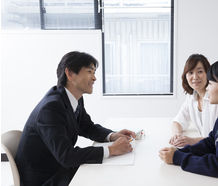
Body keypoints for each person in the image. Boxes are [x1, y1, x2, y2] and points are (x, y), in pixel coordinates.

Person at [15, 51, 136, 186]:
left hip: (58, 167)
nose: (94, 78)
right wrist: (112, 150)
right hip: (45, 179)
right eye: (90, 71)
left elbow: (87, 127)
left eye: (94, 72)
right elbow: (66, 156)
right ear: (70, 74)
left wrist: (113, 135)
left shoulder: (72, 98)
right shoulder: (51, 107)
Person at [170, 54, 218, 147]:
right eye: (190, 72)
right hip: (206, 150)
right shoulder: (192, 97)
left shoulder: (217, 99)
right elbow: (179, 120)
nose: (195, 77)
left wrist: (193, 141)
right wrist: (176, 134)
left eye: (200, 71)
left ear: (208, 73)